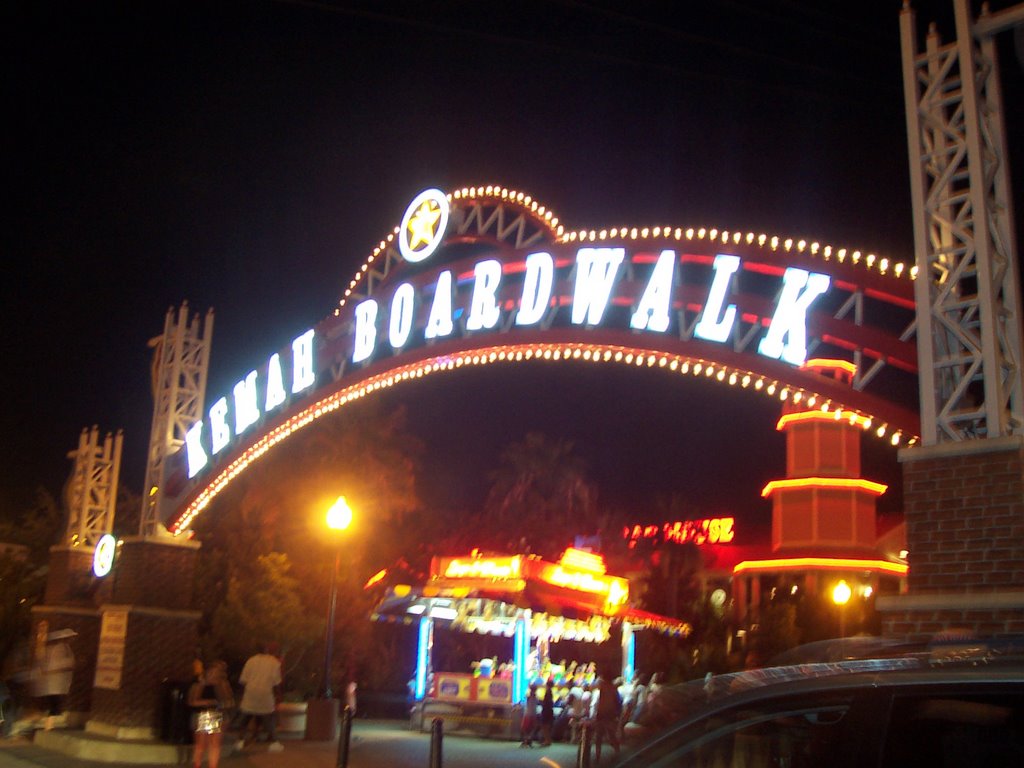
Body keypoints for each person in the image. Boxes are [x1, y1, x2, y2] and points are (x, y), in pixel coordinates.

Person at [237, 643, 283, 752]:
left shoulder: (251, 661)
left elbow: (244, 680)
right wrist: (279, 695)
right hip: (266, 693)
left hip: (251, 692)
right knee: (268, 717)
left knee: (247, 716)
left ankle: (240, 740)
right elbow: (276, 682)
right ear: (267, 649)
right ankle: (274, 742)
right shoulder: (274, 662)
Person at [188, 660, 234, 768]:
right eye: (212, 672)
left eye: (217, 673)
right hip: (202, 714)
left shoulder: (222, 684)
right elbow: (191, 701)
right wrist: (205, 701)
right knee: (201, 744)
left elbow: (229, 701)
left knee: (215, 744)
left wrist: (221, 702)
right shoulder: (199, 683)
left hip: (216, 713)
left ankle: (213, 765)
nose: (214, 675)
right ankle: (197, 764)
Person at [32, 629, 75, 730]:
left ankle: (49, 725)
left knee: (54, 704)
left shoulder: (64, 648)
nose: (72, 639)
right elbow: (56, 665)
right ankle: (48, 726)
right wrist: (69, 663)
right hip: (54, 683)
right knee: (54, 705)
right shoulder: (60, 648)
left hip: (57, 683)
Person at [591, 669, 621, 764]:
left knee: (598, 736)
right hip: (610, 714)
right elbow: (617, 701)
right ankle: (618, 752)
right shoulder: (613, 688)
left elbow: (594, 685)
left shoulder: (602, 686)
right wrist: (617, 713)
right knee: (611, 735)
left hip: (601, 713)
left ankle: (597, 756)